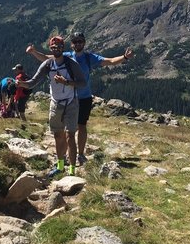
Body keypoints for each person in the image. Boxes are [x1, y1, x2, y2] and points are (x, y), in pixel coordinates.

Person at [27, 32, 133, 165]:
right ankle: (66, 157)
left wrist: (125, 57)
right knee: (67, 130)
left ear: (84, 43)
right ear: (71, 44)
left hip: (83, 97)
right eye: (75, 42)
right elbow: (47, 58)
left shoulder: (89, 58)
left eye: (80, 41)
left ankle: (80, 154)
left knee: (81, 126)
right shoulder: (66, 56)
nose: (78, 44)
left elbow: (110, 61)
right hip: (68, 98)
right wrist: (33, 52)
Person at [16, 35, 86, 178]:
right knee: (57, 136)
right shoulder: (48, 64)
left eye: (59, 47)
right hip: (55, 103)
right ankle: (60, 166)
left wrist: (66, 82)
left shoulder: (71, 64)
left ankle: (72, 169)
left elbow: (82, 83)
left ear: (63, 48)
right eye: (54, 47)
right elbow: (33, 82)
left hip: (71, 103)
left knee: (70, 136)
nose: (56, 50)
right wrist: (22, 84)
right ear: (50, 48)